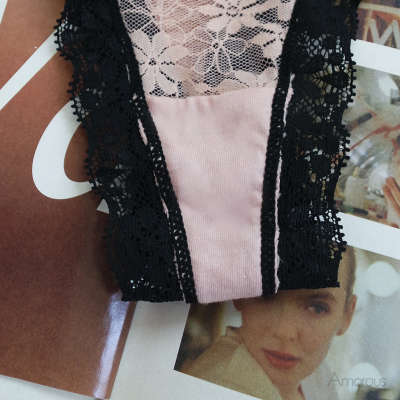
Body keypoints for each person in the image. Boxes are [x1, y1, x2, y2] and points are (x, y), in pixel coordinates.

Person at [182, 247, 357, 400]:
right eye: (266, 295)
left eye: (317, 308)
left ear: (347, 316)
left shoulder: (318, 375)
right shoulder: (223, 386)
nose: (285, 332)